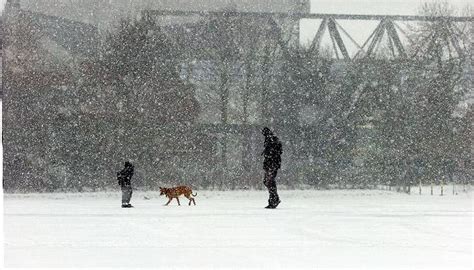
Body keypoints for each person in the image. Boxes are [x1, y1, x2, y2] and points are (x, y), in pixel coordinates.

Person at [261, 127, 282, 209]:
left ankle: (274, 200)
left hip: (272, 164)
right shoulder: (271, 139)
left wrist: (270, 157)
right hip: (271, 164)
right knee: (268, 181)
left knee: (269, 181)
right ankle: (274, 199)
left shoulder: (271, 140)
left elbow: (275, 153)